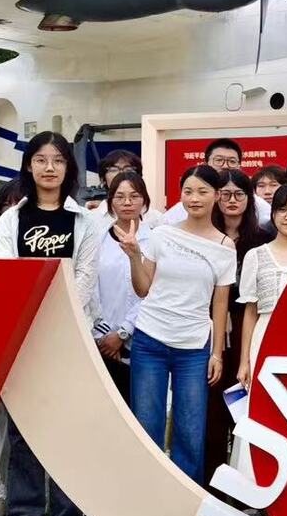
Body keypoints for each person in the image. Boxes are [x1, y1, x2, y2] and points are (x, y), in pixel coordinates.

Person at [0, 131, 102, 516]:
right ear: (29, 166)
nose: (49, 167)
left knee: (67, 424)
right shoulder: (11, 220)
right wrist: (32, 320)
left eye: (58, 160)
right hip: (25, 337)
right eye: (41, 159)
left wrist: (58, 318)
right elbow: (7, 275)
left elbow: (86, 278)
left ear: (68, 167)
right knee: (25, 426)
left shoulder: (84, 222)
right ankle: (24, 514)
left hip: (70, 334)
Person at [116, 165, 235, 483]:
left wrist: (217, 354)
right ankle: (148, 493)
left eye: (202, 192)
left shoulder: (225, 247)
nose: (194, 198)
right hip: (149, 340)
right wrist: (134, 255)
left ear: (216, 196)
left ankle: (186, 501)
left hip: (194, 347)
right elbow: (143, 289)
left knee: (190, 430)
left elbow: (220, 303)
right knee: (147, 425)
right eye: (188, 191)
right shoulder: (162, 234)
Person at [208, 169, 267, 488]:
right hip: (211, 332)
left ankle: (247, 487)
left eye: (239, 194)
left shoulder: (262, 239)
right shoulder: (206, 235)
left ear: (249, 199)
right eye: (225, 194)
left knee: (246, 410)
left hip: (249, 332)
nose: (232, 200)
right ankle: (213, 488)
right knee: (213, 413)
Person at [237, 184, 287, 388]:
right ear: (273, 214)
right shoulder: (256, 256)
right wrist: (244, 361)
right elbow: (251, 311)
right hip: (264, 338)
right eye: (282, 209)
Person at [94, 170, 150, 404]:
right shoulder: (97, 238)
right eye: (119, 196)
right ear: (110, 201)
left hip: (142, 339)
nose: (127, 202)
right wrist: (104, 335)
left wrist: (123, 332)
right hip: (101, 341)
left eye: (134, 196)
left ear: (144, 201)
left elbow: (152, 292)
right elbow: (90, 288)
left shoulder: (155, 239)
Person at [162, 139, 244, 225]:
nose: (225, 166)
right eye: (219, 160)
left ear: (239, 166)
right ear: (206, 163)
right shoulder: (182, 210)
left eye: (232, 161)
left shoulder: (249, 203)